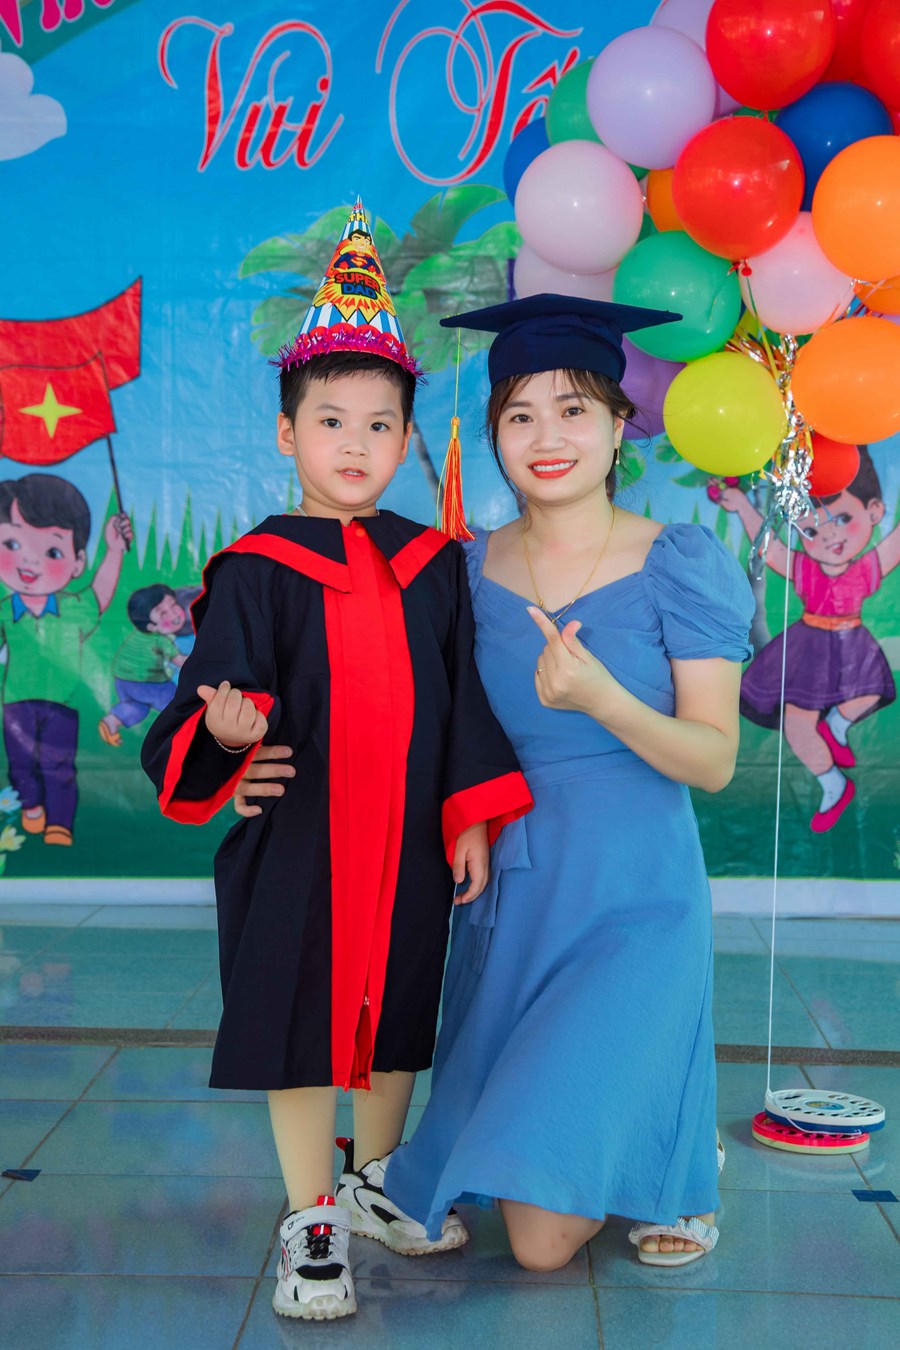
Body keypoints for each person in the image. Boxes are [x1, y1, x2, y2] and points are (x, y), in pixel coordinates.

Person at [237, 292, 754, 1272]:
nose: (547, 437)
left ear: (619, 425)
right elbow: (404, 713)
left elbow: (715, 759)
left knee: (543, 1246)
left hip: (636, 896)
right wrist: (250, 762)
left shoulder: (678, 562)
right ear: (494, 436)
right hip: (510, 893)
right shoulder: (461, 573)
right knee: (533, 1224)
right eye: (520, 415)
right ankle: (639, 1134)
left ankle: (678, 1154)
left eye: (573, 410)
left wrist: (603, 699)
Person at [140, 200, 531, 1323]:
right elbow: (217, 698)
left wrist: (469, 813)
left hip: (407, 834)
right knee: (304, 1019)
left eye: (378, 425)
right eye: (329, 422)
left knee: (398, 1011)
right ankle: (311, 1213)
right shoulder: (256, 569)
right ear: (286, 435)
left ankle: (379, 1181)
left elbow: (461, 700)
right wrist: (226, 742)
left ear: (406, 441)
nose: (353, 445)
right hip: (301, 836)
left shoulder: (433, 566)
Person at [720, 448, 898, 832]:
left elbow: (894, 543)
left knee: (870, 693)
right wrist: (743, 506)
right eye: (812, 530)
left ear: (874, 512)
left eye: (843, 519)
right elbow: (772, 550)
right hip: (807, 649)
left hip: (853, 646)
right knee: (797, 724)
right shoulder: (802, 567)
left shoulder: (866, 569)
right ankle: (833, 784)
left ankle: (836, 723)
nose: (829, 534)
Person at [0, 472, 132, 845]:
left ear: (77, 563)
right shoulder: (5, 610)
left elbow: (101, 592)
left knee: (58, 767)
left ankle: (59, 822)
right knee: (21, 766)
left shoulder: (74, 607)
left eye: (52, 552)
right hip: (16, 704)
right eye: (11, 544)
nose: (29, 562)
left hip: (62, 703)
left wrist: (114, 550)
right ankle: (30, 805)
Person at [99, 584, 187, 746]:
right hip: (148, 682)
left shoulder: (137, 636)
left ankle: (112, 720)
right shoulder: (161, 640)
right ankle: (182, 736)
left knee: (137, 706)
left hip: (122, 680)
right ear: (152, 627)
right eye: (163, 613)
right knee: (178, 702)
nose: (174, 613)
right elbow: (180, 661)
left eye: (173, 604)